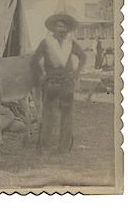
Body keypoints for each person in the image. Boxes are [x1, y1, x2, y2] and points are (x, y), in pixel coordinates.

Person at [32, 13, 86, 155]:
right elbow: (34, 59)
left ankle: (64, 149)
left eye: (64, 26)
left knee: (67, 116)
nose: (61, 29)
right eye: (58, 26)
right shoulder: (46, 42)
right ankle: (45, 148)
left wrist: (76, 72)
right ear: (53, 28)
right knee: (48, 115)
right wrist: (42, 73)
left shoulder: (71, 43)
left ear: (67, 29)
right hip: (51, 83)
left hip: (67, 83)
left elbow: (83, 56)